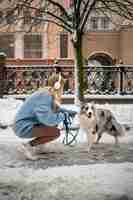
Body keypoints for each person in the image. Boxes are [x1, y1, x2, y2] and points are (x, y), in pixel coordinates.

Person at [13, 73, 77, 160]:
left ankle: (40, 146)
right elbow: (47, 119)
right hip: (23, 126)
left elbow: (55, 109)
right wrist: (63, 116)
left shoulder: (47, 93)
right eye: (62, 86)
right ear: (57, 85)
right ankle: (26, 146)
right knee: (55, 132)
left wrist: (69, 112)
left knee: (54, 126)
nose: (63, 89)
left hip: (27, 124)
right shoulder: (45, 95)